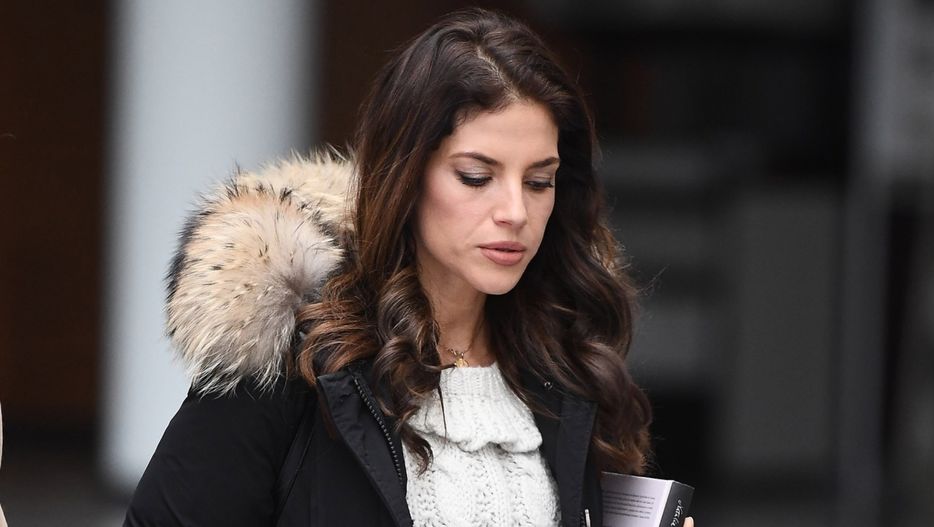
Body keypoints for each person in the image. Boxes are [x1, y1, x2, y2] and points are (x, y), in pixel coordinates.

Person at [125, 8, 694, 527]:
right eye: (476, 177)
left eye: (539, 181)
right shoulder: (298, 356)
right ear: (407, 176)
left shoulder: (566, 363)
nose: (515, 212)